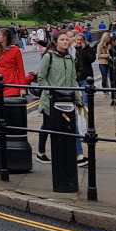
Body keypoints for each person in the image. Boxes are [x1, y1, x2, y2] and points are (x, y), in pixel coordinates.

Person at [35, 30, 87, 165]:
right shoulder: (49, 57)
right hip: (51, 99)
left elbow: (73, 80)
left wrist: (77, 98)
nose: (65, 42)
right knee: (47, 125)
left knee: (71, 125)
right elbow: (41, 78)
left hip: (67, 98)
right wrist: (50, 93)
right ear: (55, 42)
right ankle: (41, 153)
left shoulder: (69, 58)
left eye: (66, 39)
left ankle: (78, 155)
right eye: (62, 40)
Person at [0, 26, 27, 97]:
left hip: (11, 85)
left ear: (5, 37)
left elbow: (21, 70)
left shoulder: (15, 50)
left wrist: (22, 88)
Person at [96, 33, 113, 100]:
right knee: (104, 77)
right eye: (108, 38)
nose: (109, 39)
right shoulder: (100, 45)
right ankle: (105, 91)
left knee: (111, 77)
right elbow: (99, 55)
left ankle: (112, 91)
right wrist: (106, 56)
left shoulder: (110, 45)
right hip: (102, 63)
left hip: (110, 63)